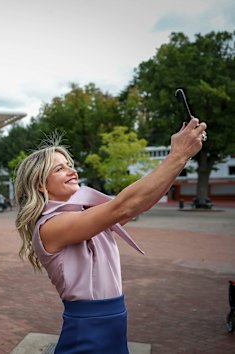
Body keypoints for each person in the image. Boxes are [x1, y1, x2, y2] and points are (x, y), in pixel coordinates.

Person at [14, 118, 207, 353]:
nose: (72, 171)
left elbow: (139, 204)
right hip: (87, 332)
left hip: (114, 322)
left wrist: (183, 156)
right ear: (41, 186)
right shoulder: (50, 226)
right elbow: (123, 206)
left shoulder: (85, 214)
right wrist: (176, 154)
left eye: (69, 164)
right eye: (59, 168)